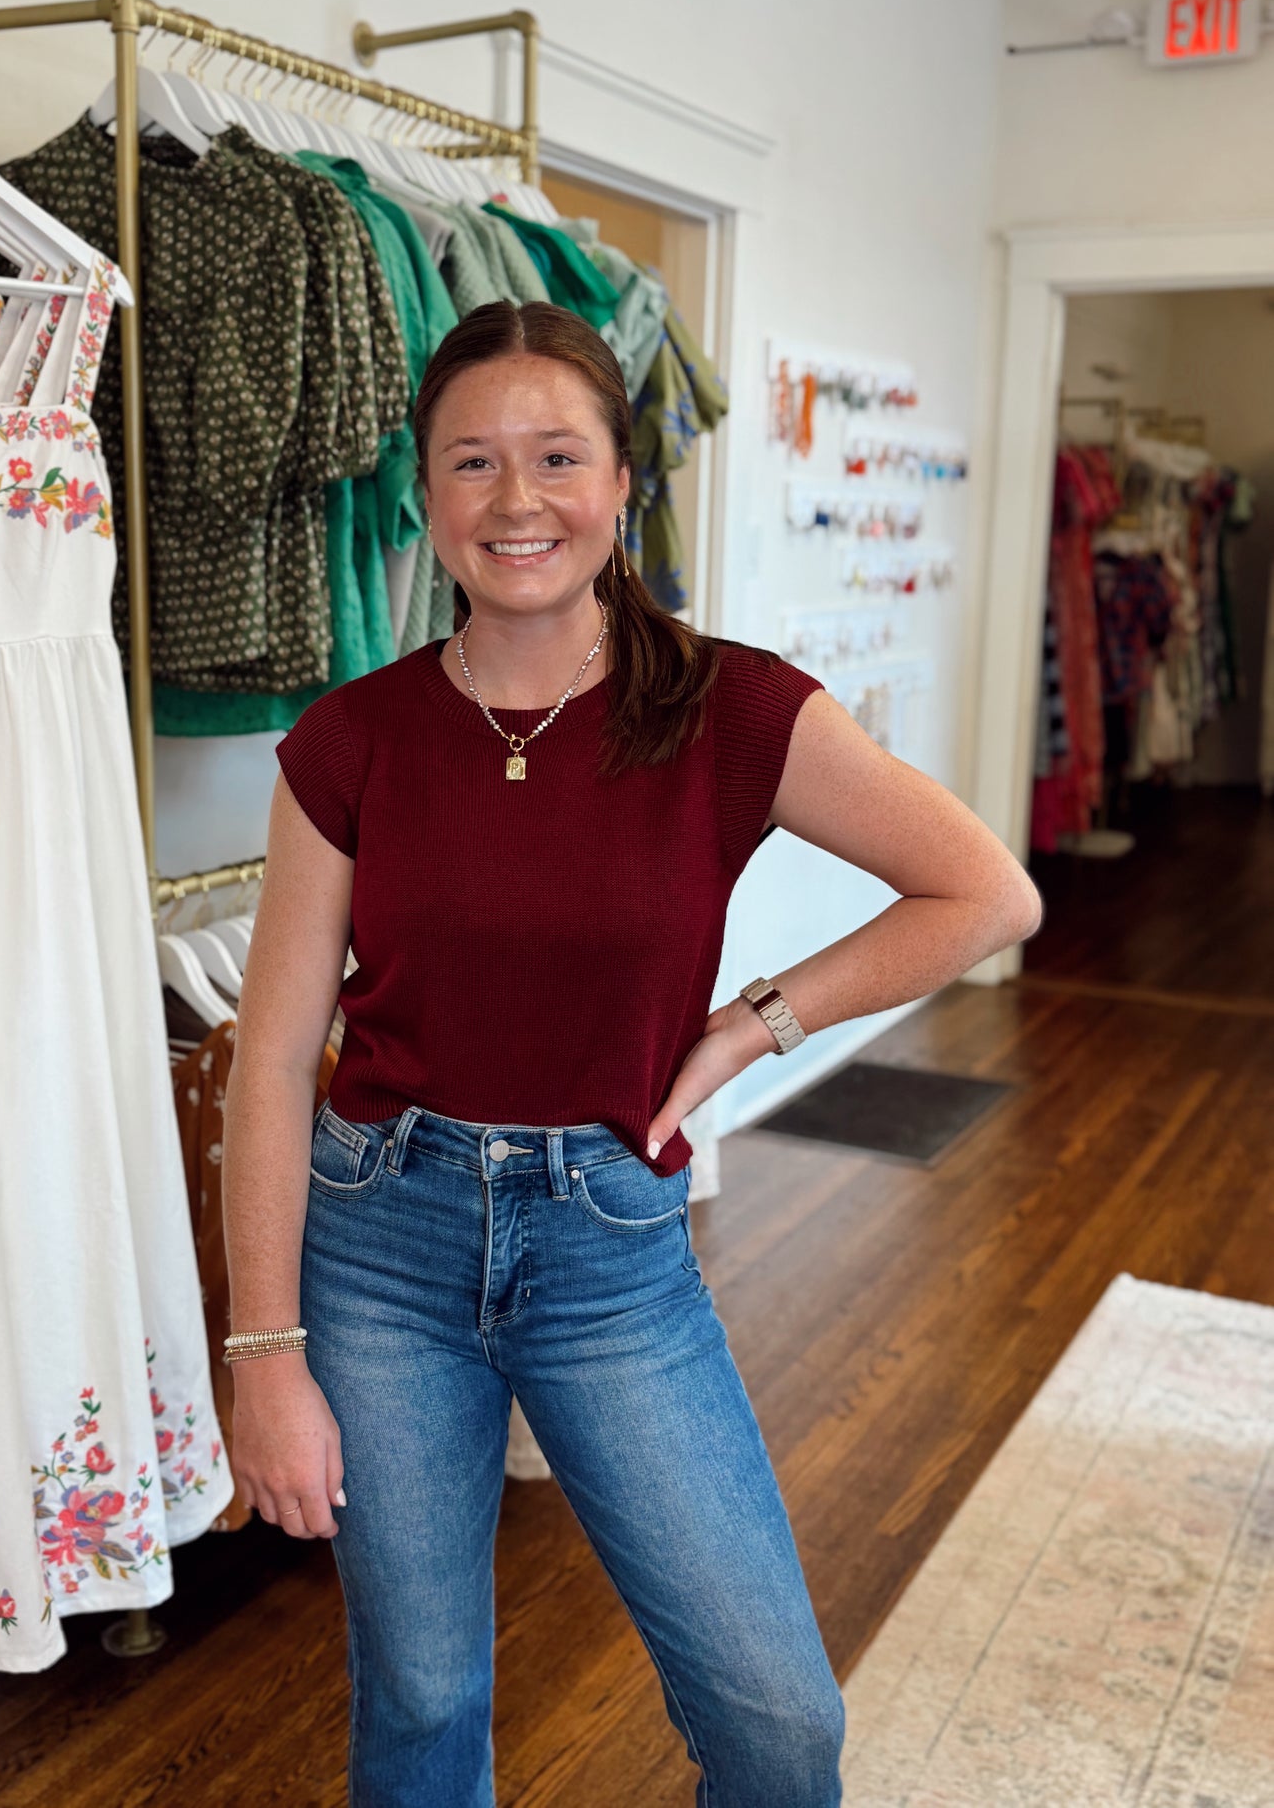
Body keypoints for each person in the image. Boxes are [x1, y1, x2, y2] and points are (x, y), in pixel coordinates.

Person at [221, 300, 1043, 1807]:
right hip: (379, 1243)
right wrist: (264, 1355)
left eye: (556, 457)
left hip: (609, 1251)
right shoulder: (351, 742)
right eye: (472, 463)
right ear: (423, 491)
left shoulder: (728, 711)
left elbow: (985, 892)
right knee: (418, 1698)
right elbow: (271, 1061)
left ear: (619, 484)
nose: (515, 501)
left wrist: (750, 1026)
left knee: (775, 1722)